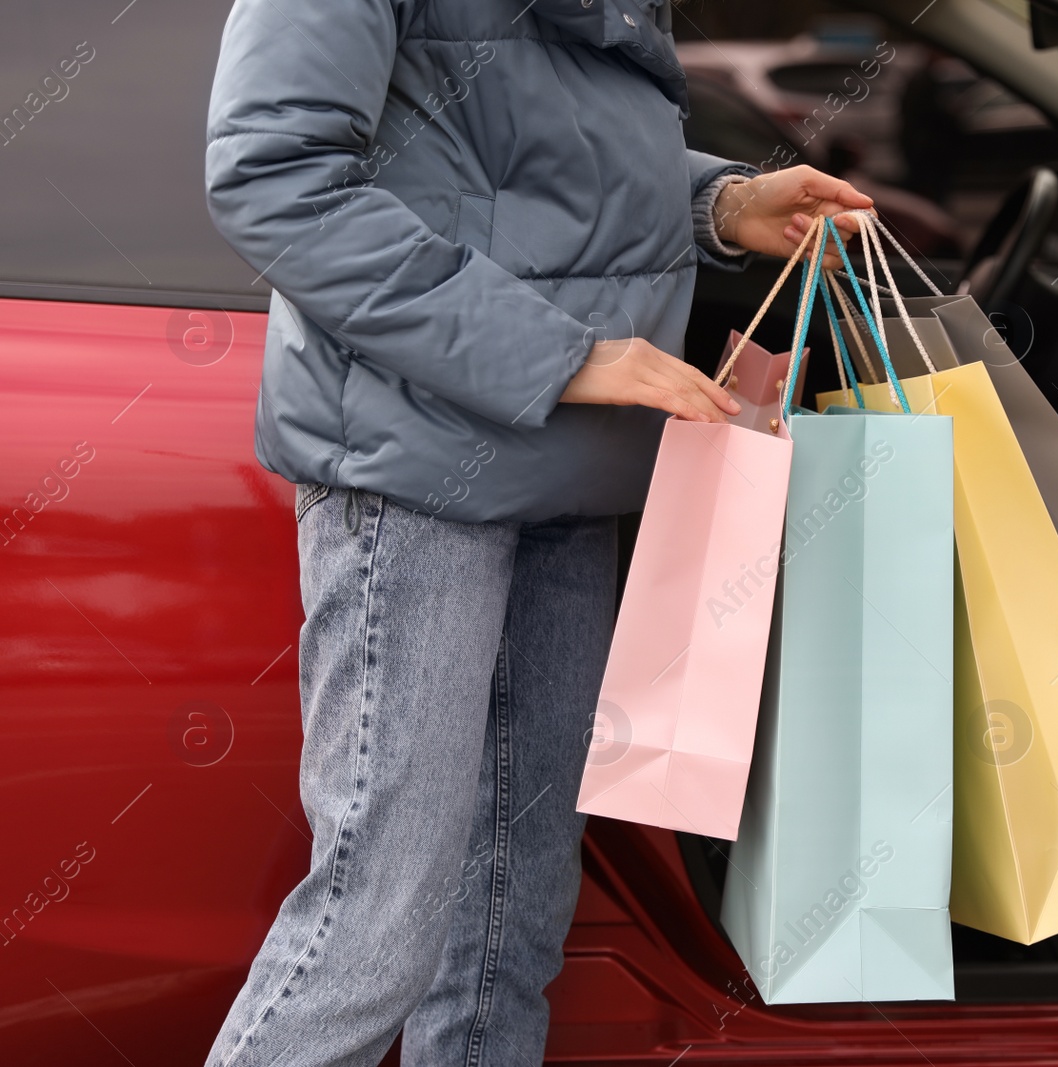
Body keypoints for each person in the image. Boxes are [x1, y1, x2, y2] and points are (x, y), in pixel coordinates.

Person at [200, 2, 870, 1064]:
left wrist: (720, 201)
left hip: (571, 467)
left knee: (509, 922)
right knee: (377, 925)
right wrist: (557, 355)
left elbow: (514, 160)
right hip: (418, 464)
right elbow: (275, 180)